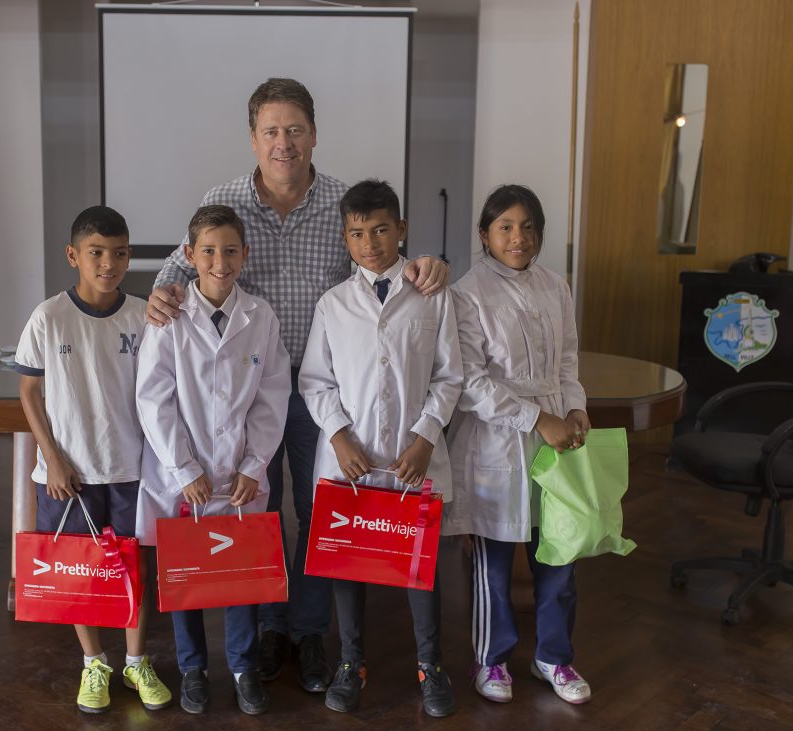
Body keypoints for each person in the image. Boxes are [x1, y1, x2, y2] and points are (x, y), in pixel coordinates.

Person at [146, 78, 450, 691]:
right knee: (251, 511)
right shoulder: (223, 197)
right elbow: (182, 271)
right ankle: (263, 632)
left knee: (318, 514)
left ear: (313, 134)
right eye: (271, 131)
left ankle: (311, 635)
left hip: (321, 394)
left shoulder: (343, 204)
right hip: (237, 394)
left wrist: (430, 264)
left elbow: (392, 264)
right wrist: (159, 292)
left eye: (295, 130)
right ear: (253, 138)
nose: (283, 143)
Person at [298, 180, 463, 717]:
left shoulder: (433, 298)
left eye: (381, 230)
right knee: (347, 563)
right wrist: (340, 436)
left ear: (402, 231)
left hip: (413, 458)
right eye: (357, 233)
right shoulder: (333, 304)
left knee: (420, 562)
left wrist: (424, 438)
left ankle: (430, 663)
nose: (369, 243)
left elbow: (449, 376)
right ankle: (351, 661)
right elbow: (315, 382)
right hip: (351, 460)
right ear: (346, 239)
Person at [14, 205, 172, 715]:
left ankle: (134, 659)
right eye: (97, 253)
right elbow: (30, 395)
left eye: (120, 253)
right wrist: (52, 458)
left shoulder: (142, 315)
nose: (110, 263)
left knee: (132, 569)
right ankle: (93, 663)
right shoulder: (48, 316)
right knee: (78, 571)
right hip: (69, 474)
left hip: (129, 468)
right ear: (73, 256)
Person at [134, 205, 291, 715]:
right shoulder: (170, 318)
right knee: (187, 574)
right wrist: (185, 470)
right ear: (188, 256)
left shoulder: (260, 317)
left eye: (229, 251)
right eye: (207, 251)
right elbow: (153, 397)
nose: (219, 262)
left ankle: (244, 668)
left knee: (241, 574)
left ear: (245, 255)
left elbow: (272, 396)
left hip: (241, 476)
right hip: (182, 476)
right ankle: (193, 668)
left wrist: (254, 464)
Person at [444, 184, 593, 705]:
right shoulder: (467, 293)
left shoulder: (557, 286)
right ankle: (492, 659)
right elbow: (470, 383)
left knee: (560, 550)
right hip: (496, 440)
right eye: (505, 226)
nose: (518, 237)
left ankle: (554, 656)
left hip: (556, 434)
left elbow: (568, 358)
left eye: (528, 226)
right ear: (485, 234)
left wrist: (574, 406)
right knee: (494, 559)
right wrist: (538, 418)